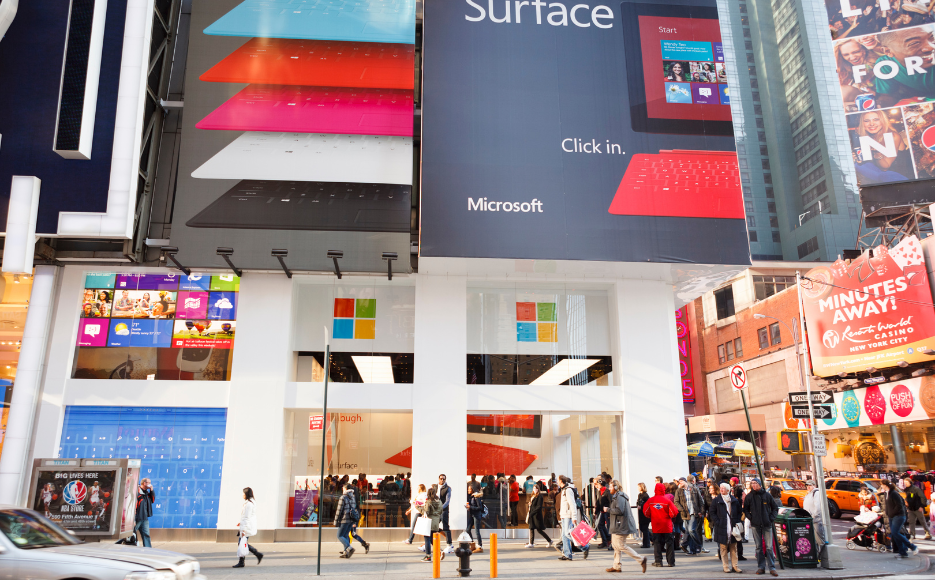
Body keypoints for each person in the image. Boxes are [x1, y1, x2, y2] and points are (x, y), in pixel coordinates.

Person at [873, 25, 935, 108]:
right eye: (914, 43)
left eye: (931, 37)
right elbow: (887, 96)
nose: (931, 47)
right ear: (888, 51)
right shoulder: (885, 64)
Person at [854, 110, 914, 184]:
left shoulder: (891, 136)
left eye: (876, 119)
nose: (871, 124)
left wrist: (877, 153)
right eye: (866, 121)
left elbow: (885, 167)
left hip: (899, 178)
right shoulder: (868, 138)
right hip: (880, 179)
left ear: (883, 121)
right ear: (862, 124)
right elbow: (871, 164)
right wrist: (858, 159)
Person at [606, 479, 647, 574]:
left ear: (615, 487)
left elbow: (619, 510)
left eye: (610, 487)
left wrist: (608, 510)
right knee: (615, 546)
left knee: (621, 545)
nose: (609, 488)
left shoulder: (620, 497)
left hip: (621, 525)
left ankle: (641, 559)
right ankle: (616, 566)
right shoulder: (617, 496)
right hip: (617, 524)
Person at [742, 478, 778, 576]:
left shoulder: (767, 495)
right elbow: (745, 509)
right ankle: (761, 567)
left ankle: (772, 567)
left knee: (769, 547)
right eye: (752, 483)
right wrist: (751, 518)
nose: (753, 485)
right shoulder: (749, 496)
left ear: (760, 484)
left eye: (755, 483)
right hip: (755, 524)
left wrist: (771, 518)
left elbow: (775, 508)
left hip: (767, 524)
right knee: (758, 547)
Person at [880, 480, 919, 558]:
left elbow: (900, 505)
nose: (881, 486)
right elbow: (888, 505)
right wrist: (887, 513)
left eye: (881, 485)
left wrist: (891, 513)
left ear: (885, 485)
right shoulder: (887, 493)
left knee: (896, 533)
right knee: (895, 534)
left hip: (898, 516)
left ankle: (912, 547)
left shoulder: (894, 493)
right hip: (892, 516)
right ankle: (902, 552)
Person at [711, 483, 743, 574]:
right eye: (720, 488)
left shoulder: (734, 500)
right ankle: (726, 566)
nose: (721, 490)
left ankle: (735, 566)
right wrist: (718, 522)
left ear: (728, 490)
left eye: (723, 488)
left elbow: (739, 512)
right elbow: (712, 512)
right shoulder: (717, 500)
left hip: (732, 527)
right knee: (723, 548)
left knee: (734, 548)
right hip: (722, 527)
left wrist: (737, 521)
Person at [643, 482, 678, 567]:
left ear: (655, 490)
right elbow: (674, 512)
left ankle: (658, 561)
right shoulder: (667, 501)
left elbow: (646, 512)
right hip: (667, 526)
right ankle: (671, 562)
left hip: (656, 525)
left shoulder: (651, 500)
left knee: (657, 543)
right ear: (663, 490)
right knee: (669, 544)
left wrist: (651, 516)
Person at [557, 475, 588, 561]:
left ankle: (584, 546)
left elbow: (572, 504)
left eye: (558, 480)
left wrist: (574, 516)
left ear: (561, 481)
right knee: (564, 535)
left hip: (568, 515)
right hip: (564, 515)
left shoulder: (568, 490)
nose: (557, 482)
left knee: (568, 534)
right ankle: (567, 554)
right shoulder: (563, 490)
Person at [335, 482, 369, 558]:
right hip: (351, 519)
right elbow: (353, 508)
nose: (342, 489)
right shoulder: (352, 497)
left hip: (344, 519)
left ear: (345, 489)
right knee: (346, 535)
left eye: (343, 488)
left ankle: (349, 548)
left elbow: (339, 510)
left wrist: (336, 520)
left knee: (340, 535)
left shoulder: (343, 497)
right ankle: (346, 552)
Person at [233, 487, 264, 568]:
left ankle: (255, 555)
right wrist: (241, 523)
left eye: (243, 493)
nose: (242, 495)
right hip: (245, 525)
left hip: (246, 527)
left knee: (241, 543)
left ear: (246, 494)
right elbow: (247, 516)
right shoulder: (250, 503)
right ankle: (254, 555)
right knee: (242, 543)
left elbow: (247, 517)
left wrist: (244, 530)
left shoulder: (249, 504)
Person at [675, 476, 704, 555]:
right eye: (679, 482)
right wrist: (682, 509)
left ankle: (698, 545)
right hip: (685, 513)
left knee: (691, 530)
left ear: (685, 481)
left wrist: (701, 511)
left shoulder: (694, 489)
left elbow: (700, 500)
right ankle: (692, 550)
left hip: (694, 512)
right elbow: (676, 502)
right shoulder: (679, 491)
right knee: (689, 532)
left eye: (681, 481)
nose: (680, 483)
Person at [417, 487, 444, 562]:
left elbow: (426, 512)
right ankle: (440, 551)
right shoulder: (439, 501)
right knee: (433, 539)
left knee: (427, 539)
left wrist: (418, 507)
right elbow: (441, 511)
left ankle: (428, 556)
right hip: (436, 523)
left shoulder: (428, 502)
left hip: (429, 522)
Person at [525, 482, 553, 548]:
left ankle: (549, 540)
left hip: (536, 515)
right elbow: (533, 505)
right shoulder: (533, 496)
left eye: (536, 488)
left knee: (539, 530)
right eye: (534, 488)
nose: (535, 490)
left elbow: (539, 507)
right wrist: (530, 505)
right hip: (532, 514)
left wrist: (532, 512)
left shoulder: (540, 496)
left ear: (538, 489)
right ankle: (531, 543)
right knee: (531, 528)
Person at [134, 478, 155, 548]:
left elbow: (152, 500)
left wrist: (152, 490)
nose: (150, 484)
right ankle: (118, 545)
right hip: (138, 518)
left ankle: (148, 550)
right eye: (149, 482)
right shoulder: (138, 492)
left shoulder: (147, 493)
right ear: (144, 483)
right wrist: (133, 519)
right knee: (130, 534)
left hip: (144, 518)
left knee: (146, 534)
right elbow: (134, 506)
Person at [465, 481, 485, 553]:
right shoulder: (471, 496)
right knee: (467, 530)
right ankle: (472, 544)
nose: (468, 490)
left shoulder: (476, 497)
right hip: (472, 514)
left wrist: (471, 507)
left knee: (477, 531)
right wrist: (468, 508)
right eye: (468, 489)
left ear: (472, 489)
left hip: (476, 515)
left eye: (469, 489)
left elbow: (479, 508)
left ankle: (480, 546)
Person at [437, 474, 454, 553]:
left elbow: (447, 501)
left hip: (443, 510)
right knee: (433, 526)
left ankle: (449, 545)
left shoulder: (448, 488)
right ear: (438, 479)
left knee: (445, 527)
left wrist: (441, 508)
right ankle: (429, 544)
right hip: (436, 510)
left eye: (443, 479)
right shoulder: (435, 487)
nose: (442, 480)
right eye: (441, 478)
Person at [596, 475, 611, 549]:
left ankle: (609, 540)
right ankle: (605, 540)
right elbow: (599, 502)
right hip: (602, 511)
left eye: (598, 484)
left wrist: (610, 512)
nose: (597, 486)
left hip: (607, 511)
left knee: (609, 526)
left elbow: (610, 501)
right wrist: (596, 511)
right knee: (600, 525)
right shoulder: (600, 492)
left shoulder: (607, 491)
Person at [637, 482, 652, 548]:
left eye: (638, 487)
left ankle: (646, 543)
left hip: (645, 515)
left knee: (645, 529)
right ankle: (651, 538)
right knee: (642, 528)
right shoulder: (640, 495)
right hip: (641, 514)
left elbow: (647, 504)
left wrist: (642, 506)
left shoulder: (645, 495)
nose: (638, 488)